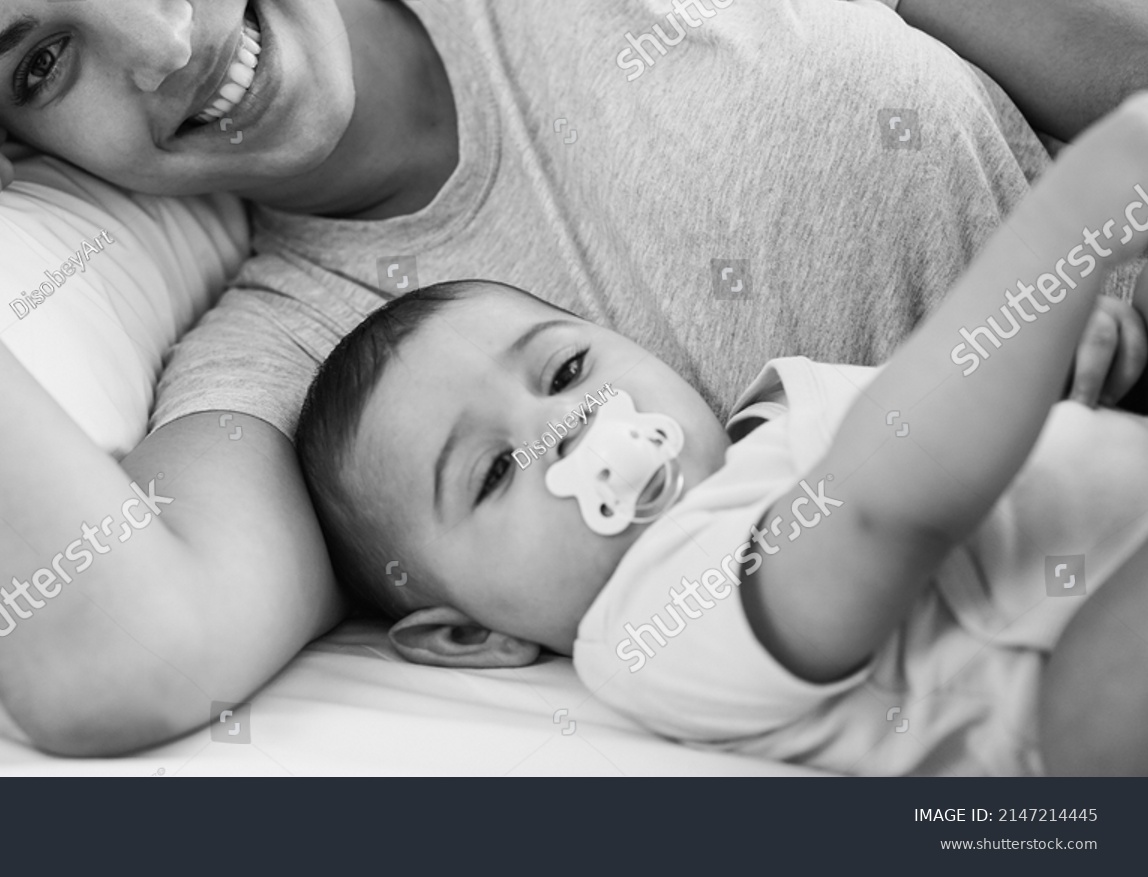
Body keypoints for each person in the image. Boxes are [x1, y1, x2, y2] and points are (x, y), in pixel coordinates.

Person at [0, 0, 1148, 756]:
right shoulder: (282, 364)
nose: (162, 46)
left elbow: (1126, 65)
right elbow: (120, 659)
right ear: (12, 136)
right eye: (40, 62)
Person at [292, 94, 1148, 775]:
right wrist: (1075, 214)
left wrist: (1058, 352)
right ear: (470, 634)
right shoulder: (645, 627)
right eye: (488, 474)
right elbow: (881, 515)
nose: (561, 427)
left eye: (565, 372)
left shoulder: (782, 413)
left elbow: (968, 428)